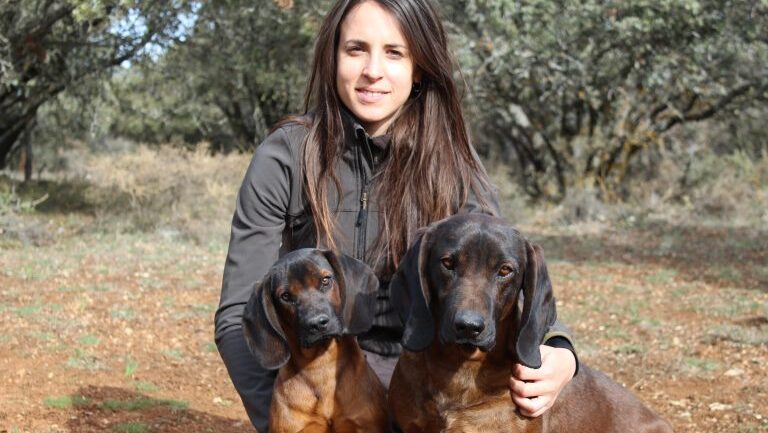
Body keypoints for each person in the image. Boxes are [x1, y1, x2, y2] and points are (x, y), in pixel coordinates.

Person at [214, 0, 578, 431]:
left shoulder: (454, 164)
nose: (373, 71)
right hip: (320, 376)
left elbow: (498, 264)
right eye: (356, 49)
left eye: (394, 52)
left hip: (419, 375)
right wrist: (285, 419)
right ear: (332, 57)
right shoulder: (286, 155)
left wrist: (561, 348)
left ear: (419, 67)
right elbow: (238, 314)